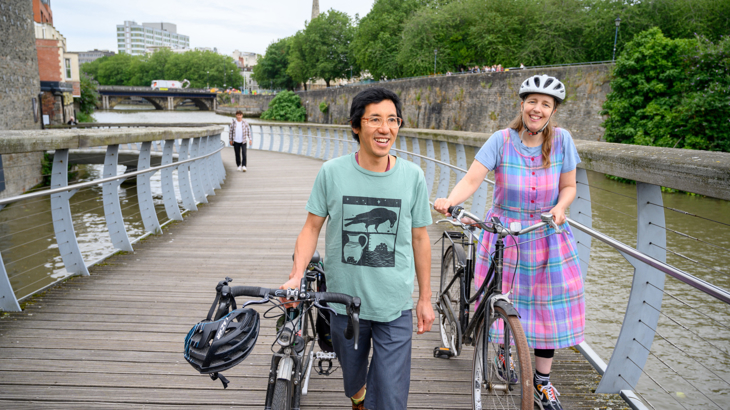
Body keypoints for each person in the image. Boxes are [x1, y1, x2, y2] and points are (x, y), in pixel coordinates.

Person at [434, 74, 584, 410]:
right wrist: (449, 200)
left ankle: (542, 382)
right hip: (505, 230)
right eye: (532, 101)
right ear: (522, 104)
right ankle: (504, 354)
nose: (537, 108)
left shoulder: (562, 141)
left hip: (544, 233)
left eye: (545, 104)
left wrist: (560, 208)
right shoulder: (501, 140)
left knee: (551, 309)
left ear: (553, 110)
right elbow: (474, 178)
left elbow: (569, 186)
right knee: (503, 297)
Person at [281, 87, 435, 410]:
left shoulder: (413, 177)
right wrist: (296, 277)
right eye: (375, 120)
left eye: (392, 120)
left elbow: (420, 239)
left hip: (394, 307)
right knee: (353, 381)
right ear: (356, 126)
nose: (385, 129)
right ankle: (358, 396)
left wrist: (424, 298)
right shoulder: (332, 173)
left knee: (391, 401)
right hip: (344, 305)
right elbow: (311, 229)